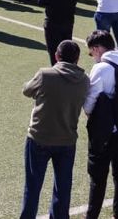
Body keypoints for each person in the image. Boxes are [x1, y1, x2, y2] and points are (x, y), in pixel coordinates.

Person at [20, 40, 89, 219]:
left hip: (38, 138)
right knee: (63, 188)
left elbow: (27, 90)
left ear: (56, 56)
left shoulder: (45, 75)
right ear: (77, 59)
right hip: (67, 140)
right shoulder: (84, 80)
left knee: (32, 187)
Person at [82, 30, 118, 219]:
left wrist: (90, 115)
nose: (92, 57)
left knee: (98, 179)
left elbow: (90, 100)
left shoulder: (102, 68)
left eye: (91, 53)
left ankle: (92, 216)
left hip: (104, 132)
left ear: (97, 48)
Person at [38, 0, 79, 66]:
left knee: (54, 53)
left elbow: (40, 1)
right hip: (68, 22)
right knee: (68, 53)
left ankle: (57, 75)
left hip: (53, 23)